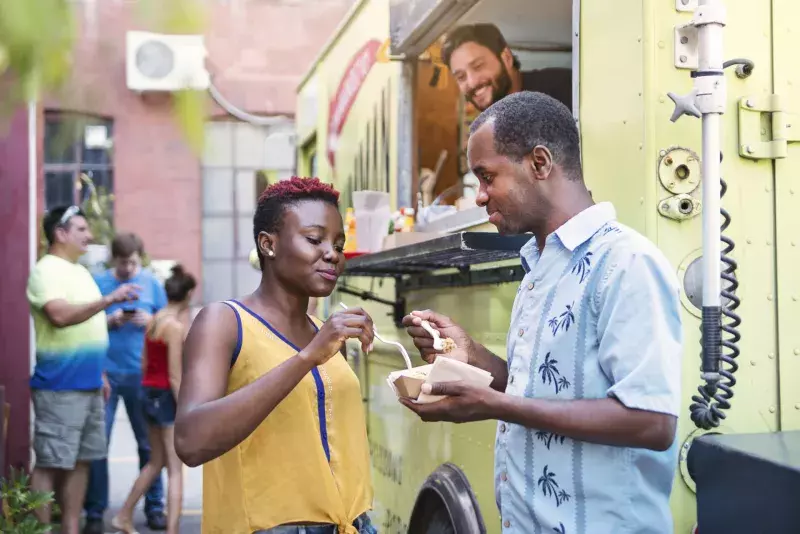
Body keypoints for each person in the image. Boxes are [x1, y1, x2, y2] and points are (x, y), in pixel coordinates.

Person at [400, 92, 683, 534]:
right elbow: (540, 391)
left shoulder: (625, 263)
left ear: (540, 163)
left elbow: (652, 421)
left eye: (487, 176)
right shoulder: (540, 264)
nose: (479, 196)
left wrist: (494, 406)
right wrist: (472, 355)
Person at [174, 177, 378, 534]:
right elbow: (191, 442)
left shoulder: (325, 334)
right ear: (268, 244)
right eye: (314, 239)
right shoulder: (224, 322)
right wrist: (307, 358)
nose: (331, 253)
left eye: (338, 244)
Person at [27, 205, 139, 534]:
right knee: (50, 462)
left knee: (82, 460)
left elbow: (89, 328)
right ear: (60, 234)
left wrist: (101, 373)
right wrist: (109, 300)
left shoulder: (79, 271)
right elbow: (60, 315)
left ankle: (71, 529)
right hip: (60, 386)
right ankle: (41, 531)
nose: (89, 236)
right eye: (81, 229)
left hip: (90, 384)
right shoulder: (46, 270)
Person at [84, 233, 168, 533]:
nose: (129, 269)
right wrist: (110, 319)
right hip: (106, 372)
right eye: (123, 264)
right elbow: (84, 322)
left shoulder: (152, 283)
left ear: (140, 259)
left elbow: (170, 320)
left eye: (133, 263)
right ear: (113, 260)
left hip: (141, 375)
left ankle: (155, 507)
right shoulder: (99, 284)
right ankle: (95, 512)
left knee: (149, 446)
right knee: (99, 445)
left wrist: (150, 321)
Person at [112, 264, 197, 534]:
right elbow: (174, 375)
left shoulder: (153, 319)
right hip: (165, 397)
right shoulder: (173, 327)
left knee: (155, 461)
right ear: (187, 296)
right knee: (174, 469)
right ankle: (172, 530)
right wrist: (186, 409)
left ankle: (123, 515)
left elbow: (144, 362)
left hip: (147, 393)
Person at [441, 23, 572, 112]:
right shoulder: (490, 127)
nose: (472, 82)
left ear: (506, 58)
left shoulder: (566, 87)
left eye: (478, 66)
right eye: (461, 77)